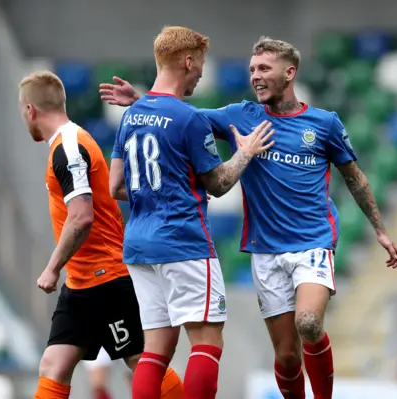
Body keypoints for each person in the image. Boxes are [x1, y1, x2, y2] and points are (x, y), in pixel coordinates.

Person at [100, 36, 397, 399]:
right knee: (287, 356)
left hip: (313, 242)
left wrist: (380, 231)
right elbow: (184, 120)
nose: (255, 76)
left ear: (289, 72)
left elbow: (355, 177)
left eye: (264, 69)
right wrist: (141, 103)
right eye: (251, 70)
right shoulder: (240, 116)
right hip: (265, 250)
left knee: (308, 323)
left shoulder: (324, 125)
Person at [108, 26, 274, 399]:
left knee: (155, 351)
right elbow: (218, 183)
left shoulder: (131, 117)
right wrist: (245, 152)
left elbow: (115, 187)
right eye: (199, 64)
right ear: (186, 61)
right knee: (207, 342)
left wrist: (154, 192)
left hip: (138, 246)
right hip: (184, 243)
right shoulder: (190, 119)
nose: (200, 72)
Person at [18, 71, 184, 399]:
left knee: (141, 361)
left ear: (30, 111)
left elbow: (81, 217)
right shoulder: (68, 144)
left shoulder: (69, 148)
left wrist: (52, 267)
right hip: (81, 284)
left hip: (106, 278)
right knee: (54, 364)